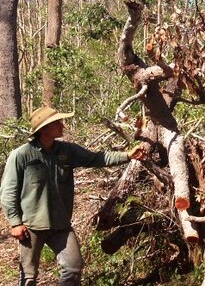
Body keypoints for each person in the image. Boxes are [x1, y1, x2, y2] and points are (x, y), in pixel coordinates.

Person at [0, 106, 146, 286]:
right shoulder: (21, 155)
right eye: (57, 123)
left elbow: (96, 159)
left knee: (73, 267)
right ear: (44, 129)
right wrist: (15, 223)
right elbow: (8, 191)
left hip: (60, 224)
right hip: (31, 227)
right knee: (28, 277)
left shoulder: (66, 151)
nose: (63, 125)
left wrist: (127, 155)